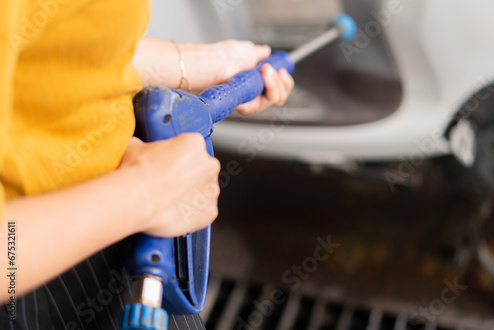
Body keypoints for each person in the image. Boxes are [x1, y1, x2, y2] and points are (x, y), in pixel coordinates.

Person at [0, 0, 294, 329]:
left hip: (114, 223)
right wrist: (145, 194)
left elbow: (51, 49)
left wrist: (192, 61)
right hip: (35, 277)